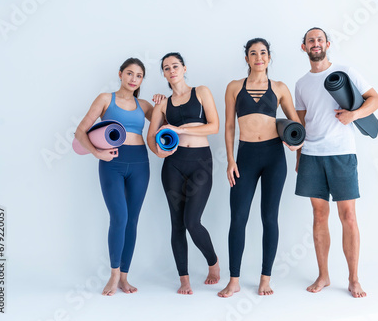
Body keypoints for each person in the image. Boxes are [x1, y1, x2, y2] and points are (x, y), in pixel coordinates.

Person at [295, 27, 378, 298]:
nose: (316, 43)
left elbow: (376, 100)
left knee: (348, 217)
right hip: (311, 155)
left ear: (328, 44)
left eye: (320, 39)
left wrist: (353, 116)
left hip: (342, 153)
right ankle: (323, 275)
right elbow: (301, 122)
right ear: (304, 47)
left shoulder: (346, 72)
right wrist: (299, 156)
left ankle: (354, 279)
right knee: (319, 216)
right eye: (311, 40)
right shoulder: (301, 84)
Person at [218, 38, 303, 298]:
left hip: (274, 157)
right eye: (253, 53)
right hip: (245, 157)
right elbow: (230, 126)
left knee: (269, 218)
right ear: (247, 58)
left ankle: (265, 278)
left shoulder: (279, 88)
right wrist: (231, 160)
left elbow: (295, 123)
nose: (258, 57)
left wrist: (294, 143)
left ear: (269, 57)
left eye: (263, 53)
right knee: (238, 218)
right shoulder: (234, 87)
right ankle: (234, 280)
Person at [75, 58, 154, 296]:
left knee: (132, 220)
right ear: (120, 74)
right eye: (129, 73)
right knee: (119, 217)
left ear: (142, 80)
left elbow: (167, 125)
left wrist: (160, 104)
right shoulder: (105, 99)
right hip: (112, 164)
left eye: (138, 75)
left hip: (140, 163)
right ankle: (113, 275)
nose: (133, 79)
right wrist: (97, 152)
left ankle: (125, 278)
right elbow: (80, 131)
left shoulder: (144, 105)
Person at [147, 52, 220, 295]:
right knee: (177, 224)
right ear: (164, 74)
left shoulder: (201, 92)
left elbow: (214, 126)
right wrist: (158, 153)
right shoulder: (163, 103)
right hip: (173, 166)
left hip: (200, 163)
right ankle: (184, 279)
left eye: (175, 66)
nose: (172, 70)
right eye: (166, 68)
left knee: (192, 221)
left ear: (184, 68)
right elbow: (151, 136)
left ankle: (213, 262)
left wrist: (179, 128)